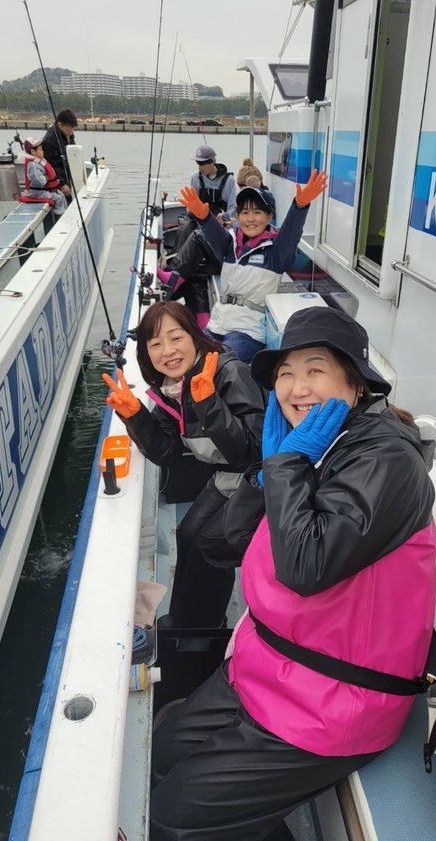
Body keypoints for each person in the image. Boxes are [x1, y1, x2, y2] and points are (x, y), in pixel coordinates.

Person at [149, 305, 436, 841]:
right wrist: (269, 468)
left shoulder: (386, 461)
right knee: (159, 751)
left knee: (172, 821)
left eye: (315, 370)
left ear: (355, 383)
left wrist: (285, 465)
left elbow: (307, 568)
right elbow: (229, 543)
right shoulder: (313, 446)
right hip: (269, 664)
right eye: (285, 374)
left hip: (335, 697)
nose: (296, 387)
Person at [102, 301, 266, 629]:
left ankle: (203, 629)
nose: (168, 351)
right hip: (228, 476)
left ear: (194, 336)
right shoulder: (170, 390)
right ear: (146, 354)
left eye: (176, 338)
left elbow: (252, 449)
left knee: (210, 546)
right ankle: (184, 621)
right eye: (155, 344)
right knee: (188, 533)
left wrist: (209, 404)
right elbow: (168, 454)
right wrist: (135, 417)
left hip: (263, 477)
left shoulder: (230, 373)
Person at [171, 170, 327, 364]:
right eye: (245, 212)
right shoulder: (230, 245)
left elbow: (291, 232)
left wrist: (300, 206)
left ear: (269, 217)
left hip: (247, 333)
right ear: (238, 217)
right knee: (188, 354)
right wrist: (203, 216)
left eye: (257, 212)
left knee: (222, 363)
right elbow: (213, 234)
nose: (250, 219)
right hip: (216, 325)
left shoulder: (276, 252)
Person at [156, 145, 238, 327]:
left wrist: (223, 217)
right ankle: (201, 316)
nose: (200, 167)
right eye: (198, 163)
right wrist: (194, 211)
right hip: (197, 217)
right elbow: (190, 206)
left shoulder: (229, 181)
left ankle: (173, 275)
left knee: (197, 238)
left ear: (213, 162)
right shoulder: (196, 178)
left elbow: (233, 207)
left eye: (203, 163)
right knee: (186, 229)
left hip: (217, 222)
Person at [19, 137, 67, 214]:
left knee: (60, 194)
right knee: (58, 198)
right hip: (37, 193)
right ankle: (60, 215)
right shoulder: (33, 165)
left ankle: (65, 212)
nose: (43, 151)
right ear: (33, 151)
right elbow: (38, 181)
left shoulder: (39, 162)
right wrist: (47, 178)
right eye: (40, 149)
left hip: (44, 190)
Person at [41, 108, 78, 201]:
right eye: (70, 127)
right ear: (60, 124)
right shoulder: (50, 141)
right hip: (58, 183)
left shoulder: (67, 134)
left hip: (67, 175)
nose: (72, 130)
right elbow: (51, 165)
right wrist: (61, 184)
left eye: (73, 127)